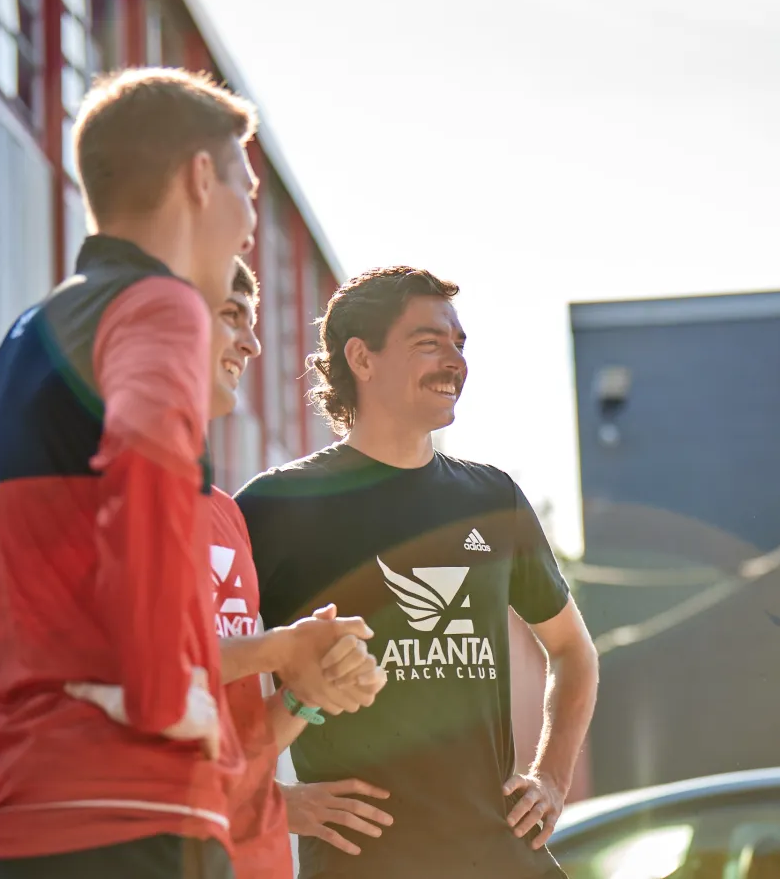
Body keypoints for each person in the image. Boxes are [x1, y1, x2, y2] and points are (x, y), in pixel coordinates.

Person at [235, 266, 601, 879]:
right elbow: (200, 673)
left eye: (459, 344)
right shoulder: (273, 508)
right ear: (362, 358)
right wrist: (271, 802)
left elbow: (573, 651)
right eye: (428, 343)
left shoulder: (493, 498)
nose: (454, 361)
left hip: (501, 858)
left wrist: (552, 779)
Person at [0, 67, 254, 877]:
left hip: (27, 803)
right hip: (133, 810)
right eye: (245, 188)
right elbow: (145, 468)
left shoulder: (29, 332)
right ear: (200, 178)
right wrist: (162, 690)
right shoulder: (159, 303)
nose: (249, 222)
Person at [68, 258, 390, 878]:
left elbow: (236, 739)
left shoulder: (224, 513)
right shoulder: (85, 493)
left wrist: (307, 689)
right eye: (230, 315)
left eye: (254, 319)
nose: (254, 342)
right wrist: (279, 651)